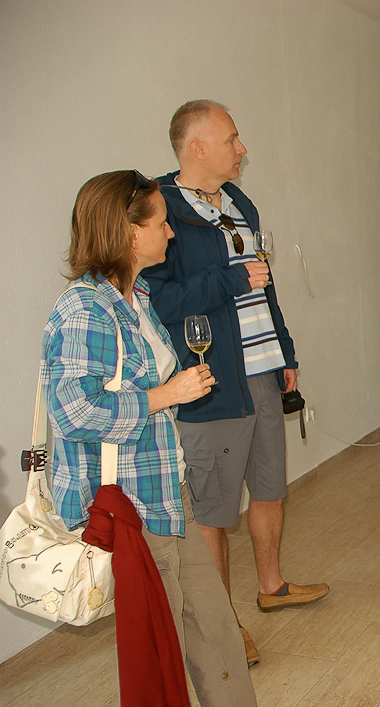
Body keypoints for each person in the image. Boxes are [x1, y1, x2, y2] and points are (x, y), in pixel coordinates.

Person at [43, 170, 256, 706]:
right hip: (130, 509)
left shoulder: (135, 296)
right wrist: (167, 394)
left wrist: (173, 391)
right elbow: (74, 412)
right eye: (162, 223)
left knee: (218, 634)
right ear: (128, 232)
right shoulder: (84, 310)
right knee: (161, 654)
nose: (171, 232)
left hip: (166, 495)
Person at [143, 100, 327, 665]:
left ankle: (271, 587)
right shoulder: (160, 209)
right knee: (214, 512)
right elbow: (159, 301)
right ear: (197, 147)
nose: (242, 149)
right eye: (232, 139)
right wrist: (227, 279)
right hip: (212, 381)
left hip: (263, 371)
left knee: (269, 488)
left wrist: (284, 349)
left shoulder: (239, 203)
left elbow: (263, 283)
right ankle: (222, 628)